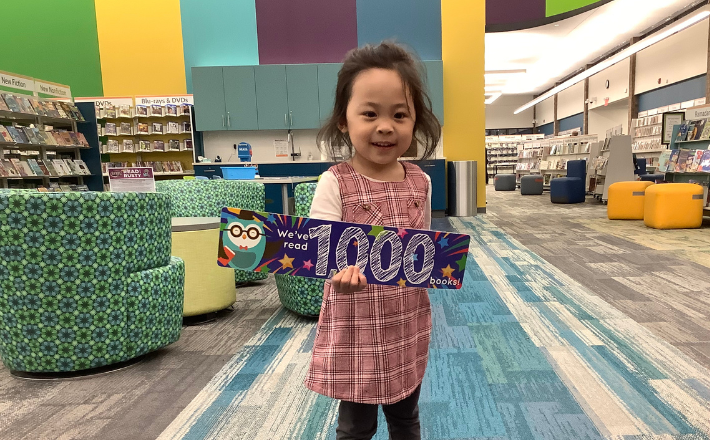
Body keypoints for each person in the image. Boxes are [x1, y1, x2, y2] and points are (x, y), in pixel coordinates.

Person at [304, 41, 441, 440]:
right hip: (357, 325)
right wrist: (336, 275)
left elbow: (423, 243)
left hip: (406, 321)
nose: (385, 126)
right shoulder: (335, 182)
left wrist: (429, 267)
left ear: (415, 121)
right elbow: (320, 250)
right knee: (356, 426)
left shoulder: (421, 180)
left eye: (400, 114)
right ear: (344, 120)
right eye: (370, 113)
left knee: (405, 416)